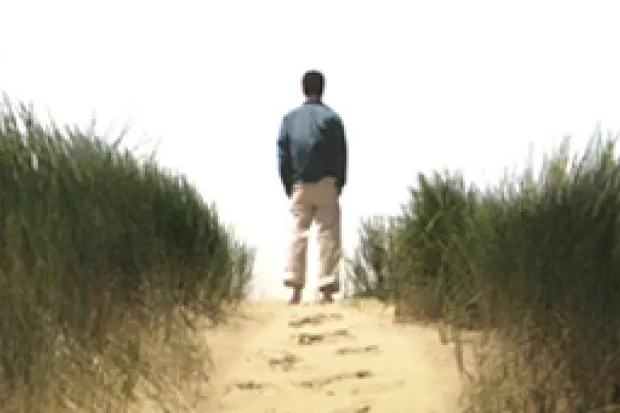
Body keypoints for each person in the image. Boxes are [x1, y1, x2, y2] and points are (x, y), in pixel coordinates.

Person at [276, 70, 348, 305]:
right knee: (328, 233)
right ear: (322, 88)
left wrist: (290, 184)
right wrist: (339, 182)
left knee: (298, 232)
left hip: (300, 183)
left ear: (303, 89)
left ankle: (294, 289)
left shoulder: (289, 119)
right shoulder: (332, 118)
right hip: (327, 182)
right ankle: (326, 289)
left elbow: (282, 155)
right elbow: (341, 153)